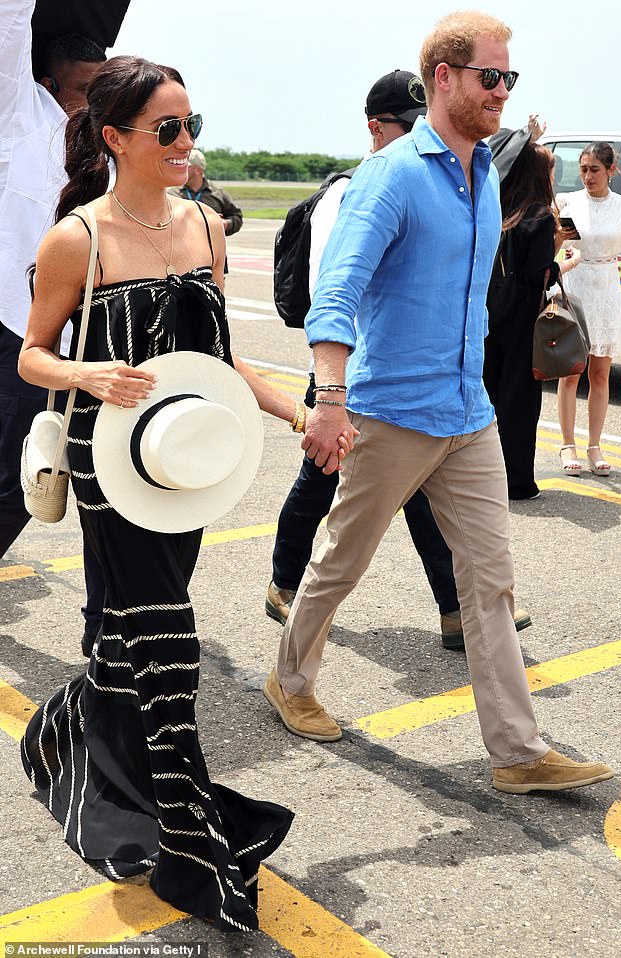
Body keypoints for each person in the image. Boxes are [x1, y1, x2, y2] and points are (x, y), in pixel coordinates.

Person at [17, 56, 353, 929]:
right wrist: (86, 373)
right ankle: (190, 846)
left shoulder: (206, 227)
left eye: (191, 126)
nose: (186, 143)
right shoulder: (77, 240)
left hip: (188, 464)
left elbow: (220, 362)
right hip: (108, 469)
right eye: (167, 129)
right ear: (115, 136)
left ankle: (73, 739)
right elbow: (31, 354)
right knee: (170, 643)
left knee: (127, 636)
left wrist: (298, 415)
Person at [263, 10, 614, 795]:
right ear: (444, 79)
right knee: (340, 563)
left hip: (469, 415)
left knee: (489, 582)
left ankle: (518, 752)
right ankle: (290, 679)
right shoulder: (391, 176)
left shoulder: (485, 172)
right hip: (390, 414)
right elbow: (339, 291)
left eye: (509, 78)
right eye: (491, 76)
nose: (502, 91)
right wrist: (328, 398)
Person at [266, 68, 530, 649]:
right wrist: (333, 391)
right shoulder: (359, 189)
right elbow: (333, 291)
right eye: (402, 126)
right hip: (351, 369)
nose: (415, 134)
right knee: (322, 487)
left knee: (413, 500)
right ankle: (286, 585)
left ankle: (455, 607)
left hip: (419, 385)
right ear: (374, 128)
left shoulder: (444, 177)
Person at [0, 1, 107, 654]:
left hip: (80, 346)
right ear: (47, 87)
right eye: (86, 92)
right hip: (13, 331)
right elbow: (12, 29)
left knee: (80, 486)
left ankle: (108, 632)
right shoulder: (20, 115)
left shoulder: (101, 148)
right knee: (14, 485)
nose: (97, 107)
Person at [484, 125, 580, 499]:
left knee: (490, 396)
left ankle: (484, 477)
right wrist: (565, 264)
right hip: (525, 320)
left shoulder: (501, 209)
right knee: (519, 403)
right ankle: (516, 481)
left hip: (493, 315)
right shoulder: (539, 215)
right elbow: (538, 274)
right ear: (539, 174)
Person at [556, 142, 621, 476]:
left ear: (611, 171)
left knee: (600, 373)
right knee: (571, 371)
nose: (587, 176)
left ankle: (594, 445)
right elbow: (557, 243)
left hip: (606, 286)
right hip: (575, 285)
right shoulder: (569, 201)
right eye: (583, 169)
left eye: (594, 170)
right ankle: (567, 444)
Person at [169, 149, 243, 235]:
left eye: (186, 165)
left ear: (198, 170)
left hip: (211, 246)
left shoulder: (218, 193)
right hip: (179, 246)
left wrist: (224, 224)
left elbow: (236, 217)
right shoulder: (172, 194)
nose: (181, 167)